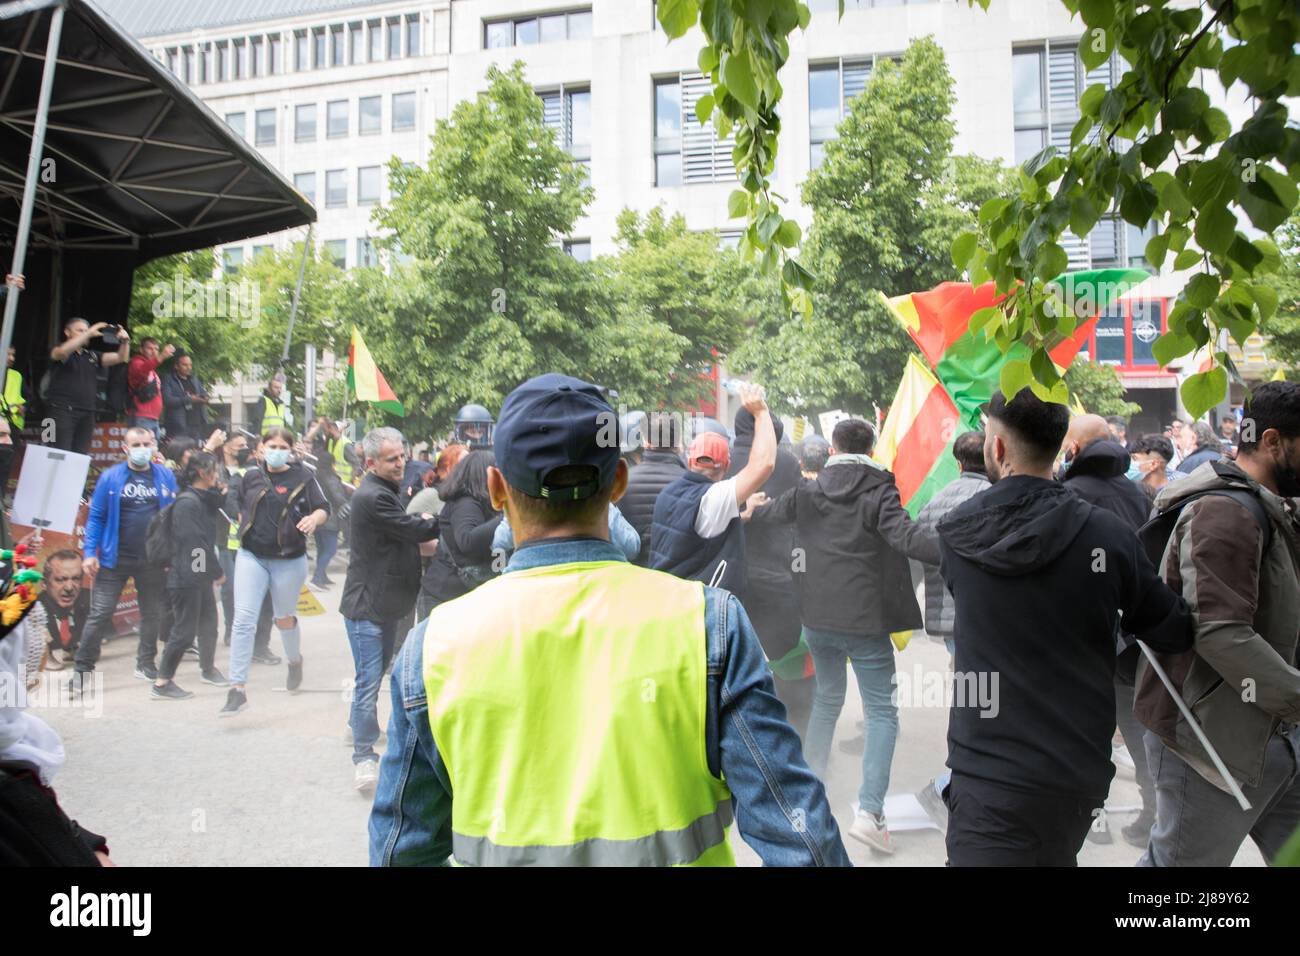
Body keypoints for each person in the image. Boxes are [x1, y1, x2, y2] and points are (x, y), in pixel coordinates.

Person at [368, 373, 850, 867]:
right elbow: (799, 832)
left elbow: (399, 852)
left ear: (496, 489)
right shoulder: (709, 624)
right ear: (617, 481)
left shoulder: (435, 646)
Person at [936, 388, 1192, 866]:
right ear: (1061, 448)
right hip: (1074, 770)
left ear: (996, 448)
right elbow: (1170, 628)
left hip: (987, 768)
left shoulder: (956, 532)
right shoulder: (1107, 534)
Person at [750, 417, 941, 853]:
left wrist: (746, 507)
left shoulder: (811, 490)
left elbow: (769, 515)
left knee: (826, 702)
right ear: (870, 449)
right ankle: (871, 813)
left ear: (833, 449)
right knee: (881, 713)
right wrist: (958, 546)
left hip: (816, 619)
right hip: (865, 622)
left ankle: (810, 796)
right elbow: (906, 537)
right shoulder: (879, 489)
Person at [1136, 380, 1300, 867]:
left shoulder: (1272, 507)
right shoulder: (1225, 511)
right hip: (1209, 747)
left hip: (1273, 737)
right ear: (1272, 441)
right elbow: (1222, 633)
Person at [1060, 413, 1159, 847]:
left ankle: (1093, 820)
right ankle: (1153, 811)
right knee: (1136, 728)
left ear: (1076, 449)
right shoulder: (1139, 492)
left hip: (1087, 631)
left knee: (1086, 729)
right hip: (1134, 633)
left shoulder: (1067, 494)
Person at [340, 428, 439, 791]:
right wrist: (440, 521)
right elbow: (410, 529)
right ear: (371, 463)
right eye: (391, 459)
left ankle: (357, 727)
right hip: (366, 605)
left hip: (382, 604)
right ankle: (364, 756)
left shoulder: (386, 490)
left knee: (375, 672)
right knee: (368, 680)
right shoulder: (372, 497)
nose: (400, 463)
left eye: (402, 456)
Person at [220, 427, 329, 716]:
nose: (277, 450)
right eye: (272, 445)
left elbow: (323, 507)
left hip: (289, 558)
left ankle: (294, 661)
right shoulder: (250, 476)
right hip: (251, 554)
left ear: (291, 450)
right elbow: (233, 502)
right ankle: (237, 688)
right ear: (261, 447)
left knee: (284, 618)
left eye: (283, 446)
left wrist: (313, 520)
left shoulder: (304, 476)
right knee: (243, 619)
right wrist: (238, 515)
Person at [911, 431, 990, 828]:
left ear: (958, 463)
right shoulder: (1000, 499)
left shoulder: (936, 501)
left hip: (952, 620)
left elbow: (919, 551)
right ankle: (952, 786)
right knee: (981, 704)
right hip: (991, 620)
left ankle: (957, 782)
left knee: (973, 699)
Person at [0, 604, 113, 865]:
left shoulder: (11, 747)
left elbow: (53, 827)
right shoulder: (10, 787)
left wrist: (90, 846)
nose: (44, 644)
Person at [726, 407, 814, 735]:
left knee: (735, 663)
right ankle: (793, 741)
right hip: (779, 578)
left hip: (732, 576)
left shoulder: (725, 462)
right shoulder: (787, 463)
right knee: (786, 666)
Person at [71, 427, 176, 687]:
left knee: (151, 613)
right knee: (100, 614)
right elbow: (96, 517)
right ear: (125, 449)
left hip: (152, 559)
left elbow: (173, 517)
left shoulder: (165, 476)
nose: (142, 448)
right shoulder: (111, 477)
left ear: (153, 446)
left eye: (146, 443)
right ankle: (82, 671)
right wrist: (89, 554)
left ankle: (146, 663)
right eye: (136, 444)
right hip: (113, 559)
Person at [649, 384, 774, 595]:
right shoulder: (711, 499)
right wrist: (761, 413)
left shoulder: (668, 493)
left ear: (689, 461)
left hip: (665, 598)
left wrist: (743, 514)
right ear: (726, 465)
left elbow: (698, 530)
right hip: (695, 610)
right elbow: (764, 464)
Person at [152, 452, 227, 699]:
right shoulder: (187, 503)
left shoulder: (199, 499)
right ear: (204, 473)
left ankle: (208, 668)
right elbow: (194, 543)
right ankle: (162, 683)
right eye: (214, 471)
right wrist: (213, 571)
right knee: (184, 631)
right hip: (187, 575)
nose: (217, 475)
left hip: (197, 574)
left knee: (209, 624)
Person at [416, 450, 501, 621]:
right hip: (443, 597)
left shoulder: (473, 502)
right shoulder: (466, 503)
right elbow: (467, 541)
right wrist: (506, 517)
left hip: (454, 596)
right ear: (483, 474)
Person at [44, 318, 129, 454]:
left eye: (85, 330)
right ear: (67, 332)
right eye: (80, 330)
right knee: (56, 453)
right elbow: (61, 353)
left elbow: (120, 357)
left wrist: (125, 341)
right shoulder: (58, 349)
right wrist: (89, 332)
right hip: (60, 411)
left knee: (80, 454)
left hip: (87, 412)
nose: (85, 333)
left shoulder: (92, 355)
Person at [619, 412, 686, 566]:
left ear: (646, 442)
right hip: (678, 576)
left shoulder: (624, 480)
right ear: (677, 443)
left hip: (636, 573)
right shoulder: (690, 482)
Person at [308, 446, 351, 591]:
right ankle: (317, 577)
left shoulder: (315, 477)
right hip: (330, 517)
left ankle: (322, 575)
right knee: (331, 549)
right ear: (332, 463)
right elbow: (337, 496)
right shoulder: (331, 478)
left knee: (322, 547)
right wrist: (346, 506)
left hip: (316, 516)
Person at [37, 551, 88, 671]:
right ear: (44, 584)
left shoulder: (89, 599)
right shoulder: (34, 609)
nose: (69, 587)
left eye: (76, 579)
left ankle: (73, 648)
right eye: (60, 579)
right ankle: (44, 656)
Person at [125, 337, 174, 437]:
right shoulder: (136, 362)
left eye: (156, 349)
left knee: (152, 450)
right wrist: (161, 356)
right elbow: (143, 369)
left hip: (152, 417)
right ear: (141, 349)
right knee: (142, 450)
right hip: (141, 416)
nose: (154, 352)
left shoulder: (152, 370)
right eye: (150, 348)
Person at [160, 352, 210, 440]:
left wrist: (205, 398)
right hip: (178, 426)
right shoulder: (169, 379)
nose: (188, 368)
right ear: (176, 366)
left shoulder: (194, 379)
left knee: (196, 452)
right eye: (185, 365)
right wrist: (188, 399)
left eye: (190, 365)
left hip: (197, 425)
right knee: (179, 452)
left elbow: (204, 394)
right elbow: (167, 400)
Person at [1129, 434, 1176, 504]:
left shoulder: (1173, 499)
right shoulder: (1134, 494)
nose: (1130, 463)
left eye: (1134, 458)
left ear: (1154, 464)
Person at [3, 346, 26, 433]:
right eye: (8, 354)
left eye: (13, 355)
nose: (12, 358)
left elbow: (29, 397)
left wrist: (24, 407)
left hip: (12, 424)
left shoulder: (17, 376)